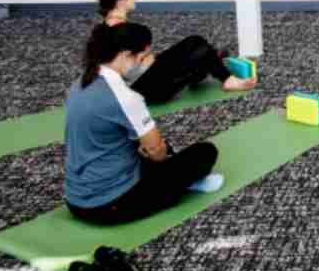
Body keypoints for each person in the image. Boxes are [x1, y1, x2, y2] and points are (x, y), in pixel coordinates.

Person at [64, 23, 221, 225]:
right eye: (140, 59)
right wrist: (155, 153)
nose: (141, 65)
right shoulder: (126, 98)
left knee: (147, 147)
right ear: (126, 54)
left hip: (75, 200)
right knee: (205, 152)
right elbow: (157, 152)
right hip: (109, 205)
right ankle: (177, 188)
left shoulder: (79, 83)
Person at [96, 0, 255, 105]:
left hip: (145, 80)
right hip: (149, 90)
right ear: (120, 0)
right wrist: (148, 61)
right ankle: (227, 79)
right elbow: (126, 71)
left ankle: (208, 62)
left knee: (198, 47)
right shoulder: (118, 31)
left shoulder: (108, 25)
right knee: (199, 47)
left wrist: (152, 60)